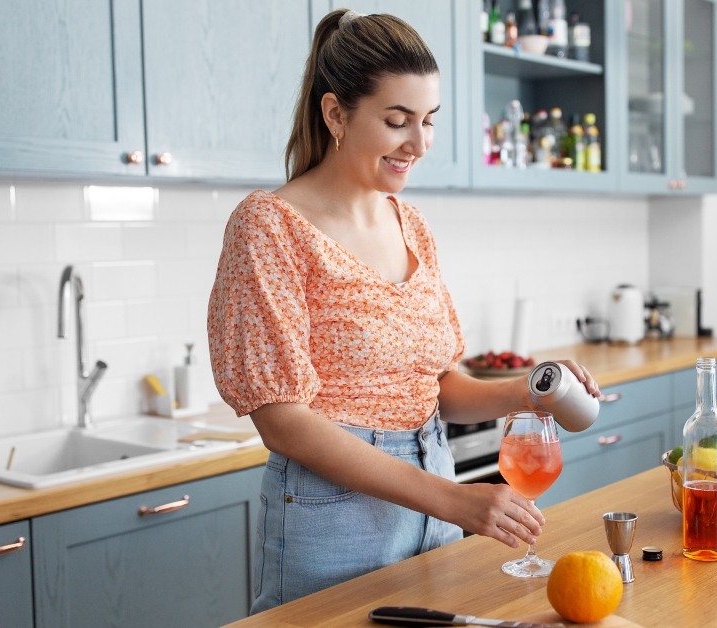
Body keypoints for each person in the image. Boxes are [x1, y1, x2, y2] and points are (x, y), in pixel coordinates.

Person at [207, 9, 600, 614]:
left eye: (428, 121)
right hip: (330, 516)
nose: (419, 145)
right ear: (336, 113)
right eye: (397, 122)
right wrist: (450, 498)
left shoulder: (408, 223)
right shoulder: (270, 226)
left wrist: (529, 392)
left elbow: (436, 385)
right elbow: (280, 418)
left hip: (431, 484)